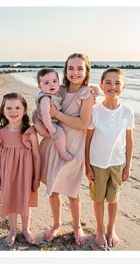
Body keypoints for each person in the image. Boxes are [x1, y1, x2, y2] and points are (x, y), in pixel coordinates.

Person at [37, 53, 97, 245]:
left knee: (73, 192)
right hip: (53, 145)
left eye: (80, 68)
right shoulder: (57, 89)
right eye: (71, 68)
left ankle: (77, 226)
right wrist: (38, 123)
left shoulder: (88, 93)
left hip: (74, 149)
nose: (75, 72)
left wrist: (57, 114)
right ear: (65, 70)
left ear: (87, 71)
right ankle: (56, 224)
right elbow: (37, 110)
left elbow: (83, 123)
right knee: (53, 190)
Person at [85, 67, 135, 248]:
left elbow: (129, 142)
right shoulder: (95, 111)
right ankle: (99, 229)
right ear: (101, 85)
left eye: (117, 83)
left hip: (117, 163)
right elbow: (88, 140)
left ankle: (111, 228)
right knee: (98, 199)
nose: (112, 86)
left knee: (113, 199)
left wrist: (128, 166)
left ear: (124, 87)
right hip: (97, 163)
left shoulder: (128, 112)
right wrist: (87, 165)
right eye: (108, 82)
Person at [0, 92, 39, 247]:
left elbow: (36, 156)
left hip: (26, 173)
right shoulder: (0, 133)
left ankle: (26, 229)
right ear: (3, 111)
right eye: (9, 108)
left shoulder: (29, 132)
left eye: (17, 107)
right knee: (10, 199)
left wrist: (36, 177)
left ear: (24, 110)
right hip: (7, 173)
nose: (13, 111)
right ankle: (12, 230)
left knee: (25, 201)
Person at [33, 68, 74, 162]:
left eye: (55, 81)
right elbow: (45, 114)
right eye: (46, 83)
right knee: (60, 134)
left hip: (51, 121)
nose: (51, 84)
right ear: (39, 86)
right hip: (48, 123)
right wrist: (50, 127)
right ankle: (62, 152)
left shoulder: (55, 93)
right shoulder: (45, 98)